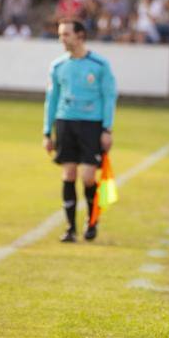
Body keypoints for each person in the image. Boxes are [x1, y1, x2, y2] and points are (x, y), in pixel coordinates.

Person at [42, 20, 117, 242]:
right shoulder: (57, 66)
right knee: (69, 174)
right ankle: (70, 228)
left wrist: (107, 129)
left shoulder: (99, 64)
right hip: (65, 123)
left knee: (87, 177)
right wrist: (48, 132)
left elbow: (109, 97)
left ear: (80, 35)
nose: (61, 39)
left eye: (66, 34)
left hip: (91, 126)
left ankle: (91, 221)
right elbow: (51, 100)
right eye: (60, 34)